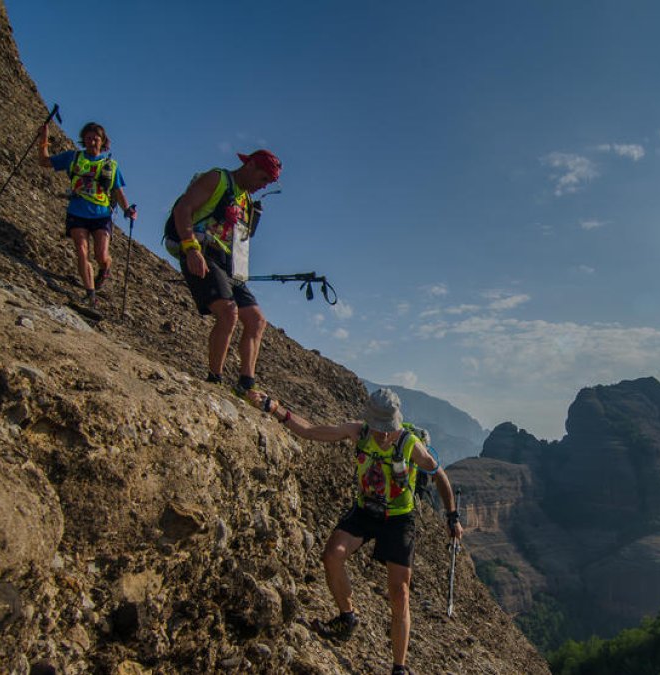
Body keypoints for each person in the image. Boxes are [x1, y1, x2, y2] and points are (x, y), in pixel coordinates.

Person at [250, 388, 463, 675]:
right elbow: (311, 431)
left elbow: (439, 475)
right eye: (378, 428)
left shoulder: (410, 444)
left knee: (399, 593)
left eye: (388, 429)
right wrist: (274, 408)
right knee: (332, 556)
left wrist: (452, 518)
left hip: (399, 518)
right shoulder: (357, 431)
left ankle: (399, 667)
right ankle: (347, 617)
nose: (383, 435)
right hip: (366, 510)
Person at [165, 150, 280, 395]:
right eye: (263, 179)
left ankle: (246, 384)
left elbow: (239, 238)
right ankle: (214, 379)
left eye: (268, 183)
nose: (263, 186)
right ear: (249, 166)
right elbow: (183, 208)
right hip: (200, 249)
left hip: (228, 262)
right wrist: (191, 248)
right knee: (229, 312)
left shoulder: (246, 200)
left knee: (257, 320)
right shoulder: (217, 179)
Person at [37, 121, 136, 305]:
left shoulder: (111, 165)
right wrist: (43, 139)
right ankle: (91, 294)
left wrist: (128, 210)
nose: (92, 142)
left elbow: (117, 191)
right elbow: (44, 161)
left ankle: (105, 267)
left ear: (102, 141)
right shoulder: (73, 158)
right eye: (88, 138)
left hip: (101, 214)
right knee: (82, 251)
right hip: (77, 212)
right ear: (83, 140)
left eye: (95, 139)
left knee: (101, 255)